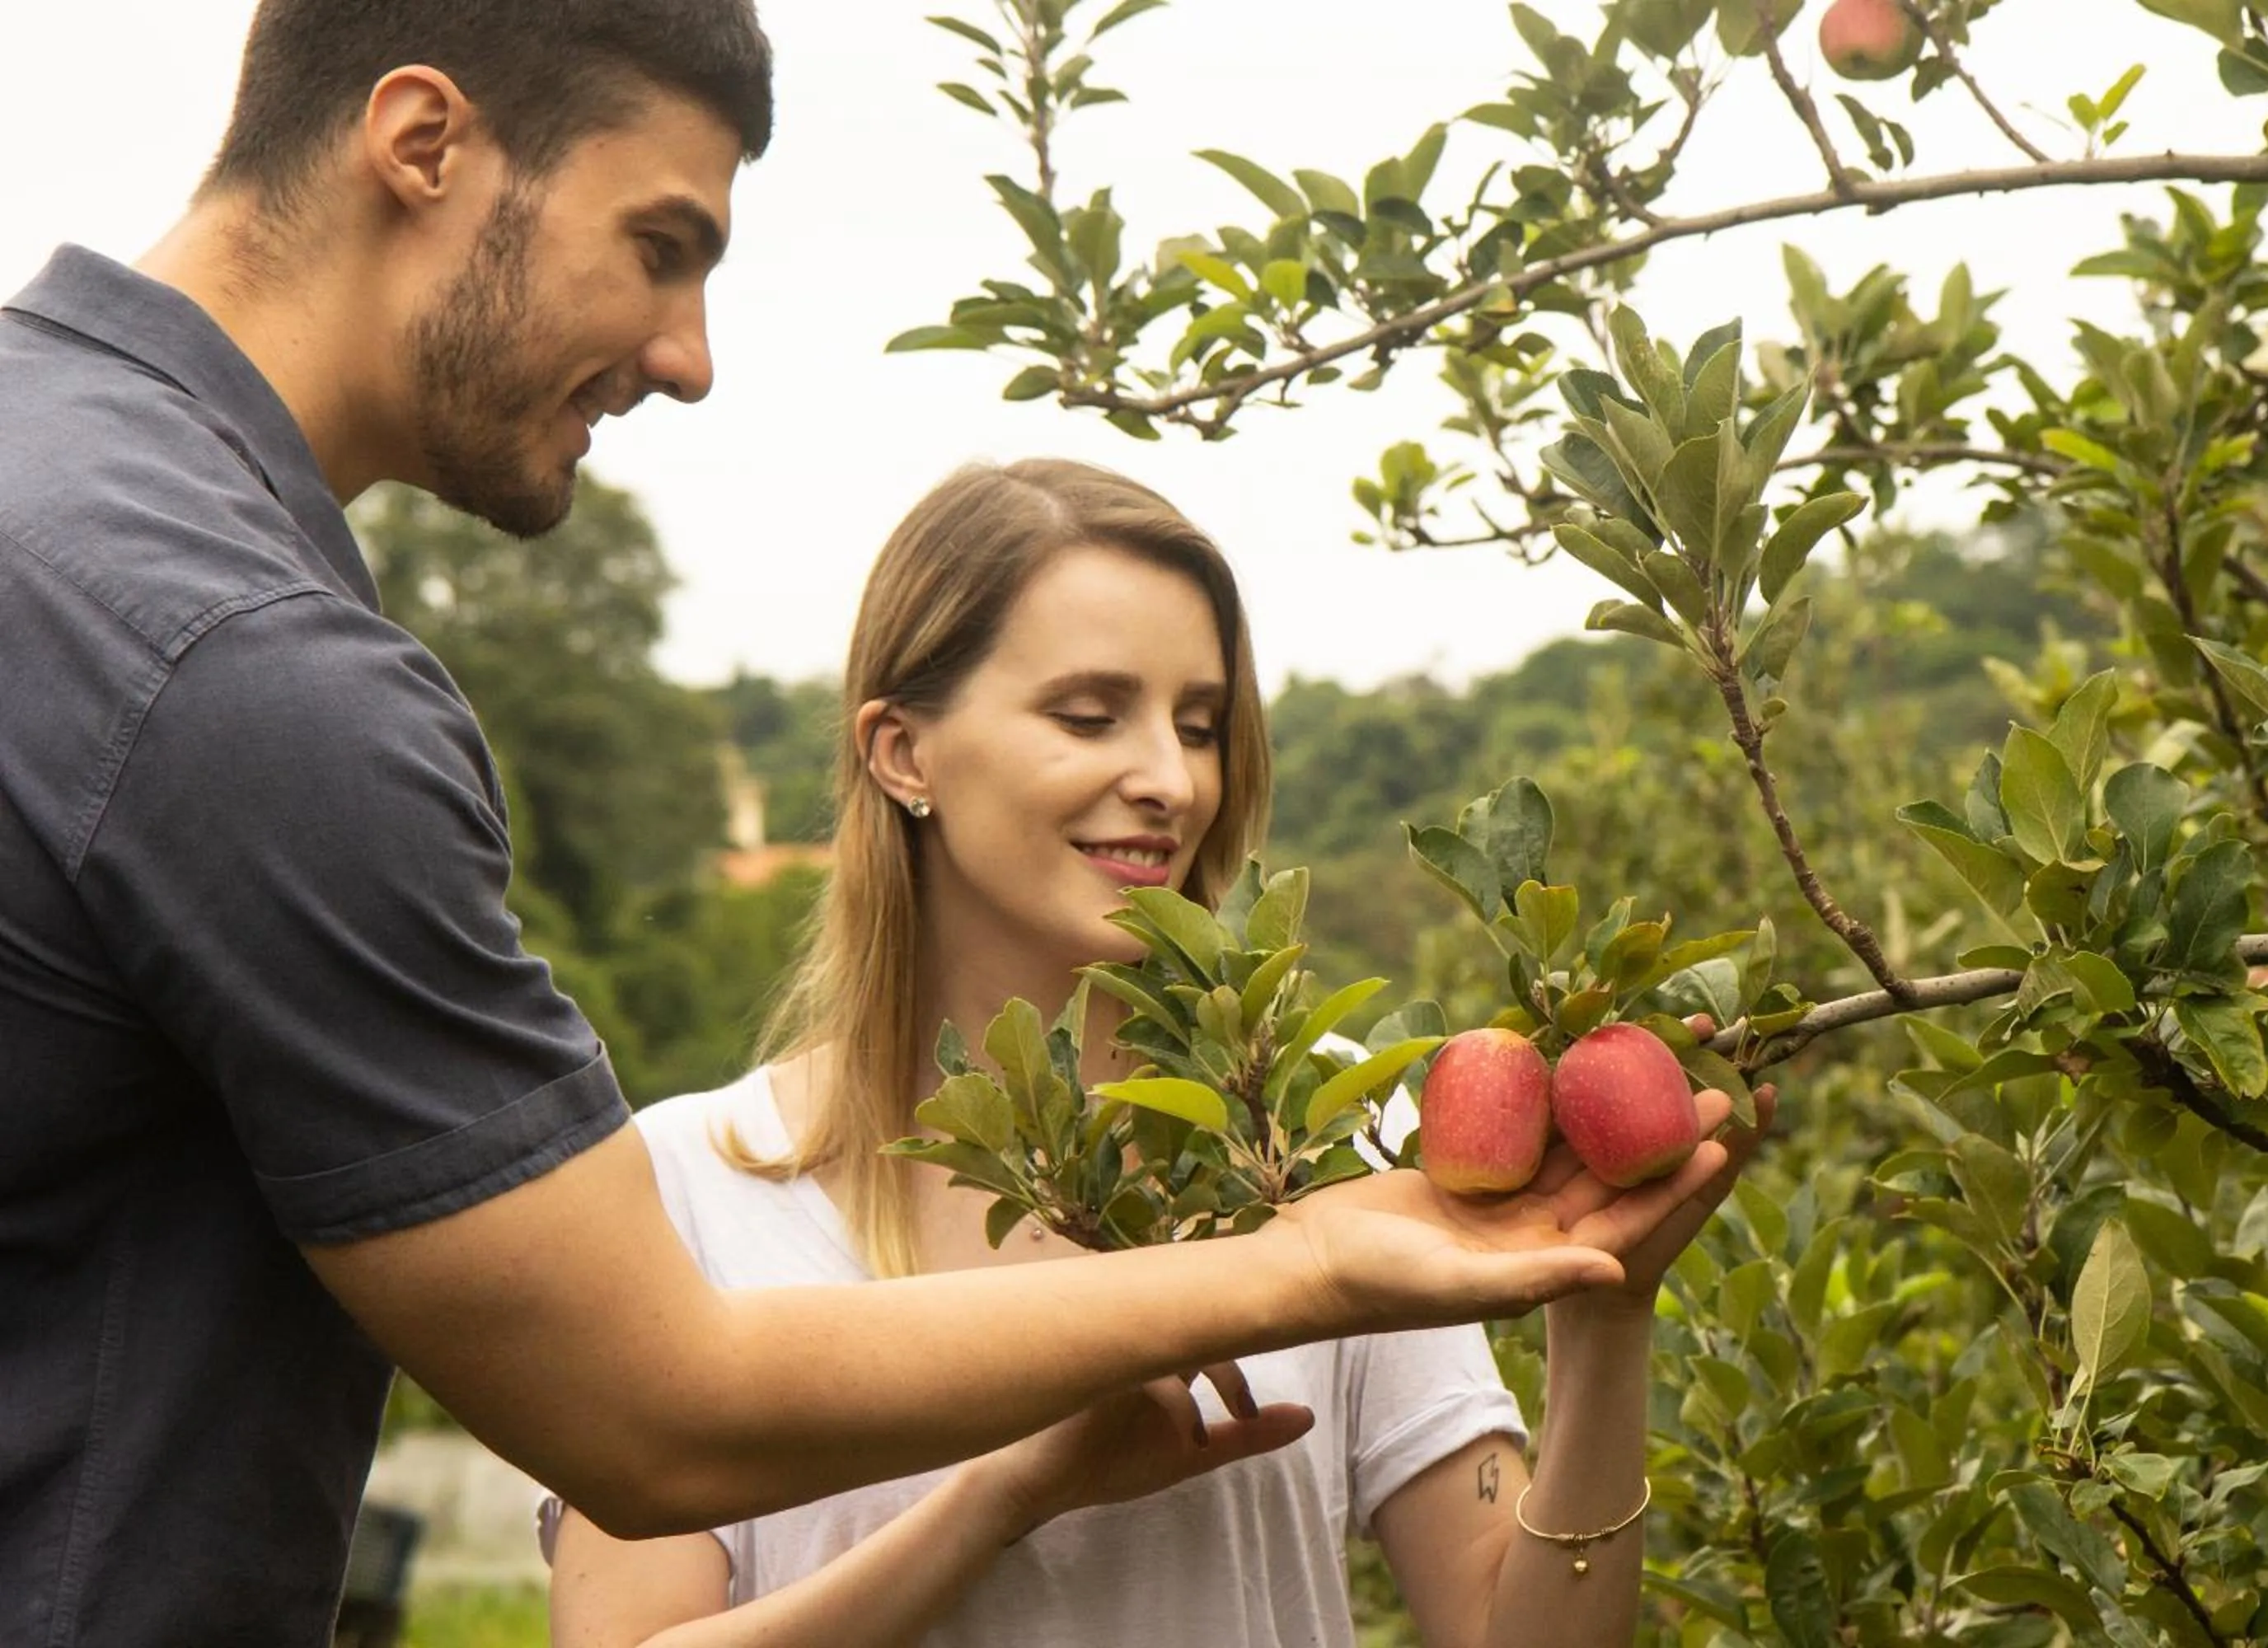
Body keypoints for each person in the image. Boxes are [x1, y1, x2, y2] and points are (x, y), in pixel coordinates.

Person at [0, 7, 1741, 1643]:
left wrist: (1579, 1323)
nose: (686, 358)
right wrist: (1289, 1272)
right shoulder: (237, 670)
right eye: (661, 245)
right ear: (422, 141)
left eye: (1202, 724)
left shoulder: (60, 499)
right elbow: (654, 1403)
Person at [541, 459, 1774, 1648]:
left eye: (1201, 724)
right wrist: (1005, 1498)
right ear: (902, 752)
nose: (1170, 779)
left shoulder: (1325, 1137)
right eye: (1090, 716)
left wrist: (1610, 1320)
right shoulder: (688, 1184)